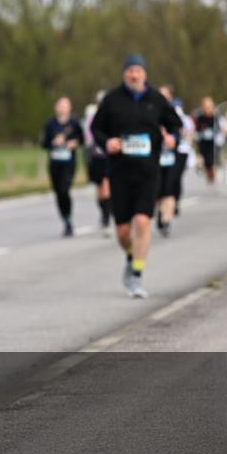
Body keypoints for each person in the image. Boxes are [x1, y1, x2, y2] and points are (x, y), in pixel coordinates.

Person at [90, 54, 182, 298]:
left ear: (145, 74)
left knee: (142, 222)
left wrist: (173, 138)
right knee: (122, 231)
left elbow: (175, 124)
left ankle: (137, 275)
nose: (134, 74)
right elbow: (95, 128)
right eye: (130, 70)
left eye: (138, 70)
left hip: (148, 172)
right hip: (119, 172)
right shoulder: (112, 100)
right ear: (124, 74)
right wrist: (106, 142)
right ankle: (131, 257)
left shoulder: (157, 100)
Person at [40, 96, 84, 237]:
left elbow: (82, 140)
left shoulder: (74, 123)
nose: (62, 108)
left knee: (65, 190)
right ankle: (65, 220)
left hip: (69, 163)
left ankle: (69, 221)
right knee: (58, 193)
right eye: (60, 105)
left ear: (69, 108)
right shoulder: (50, 124)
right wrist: (53, 142)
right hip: (54, 163)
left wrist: (73, 143)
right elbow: (43, 143)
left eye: (65, 105)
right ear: (56, 108)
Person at [155, 86, 190, 237]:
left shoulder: (175, 114)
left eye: (165, 96)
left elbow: (181, 132)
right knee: (157, 190)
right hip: (155, 157)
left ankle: (167, 220)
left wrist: (172, 138)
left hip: (172, 156)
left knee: (169, 188)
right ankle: (161, 214)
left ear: (170, 98)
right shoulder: (150, 112)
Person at [83, 91, 113, 235]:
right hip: (96, 156)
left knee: (107, 186)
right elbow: (88, 135)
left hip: (109, 156)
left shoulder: (113, 115)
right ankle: (104, 212)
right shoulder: (92, 117)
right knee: (100, 189)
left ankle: (107, 218)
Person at [193, 96, 219, 185]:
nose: (207, 109)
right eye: (205, 107)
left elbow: (220, 130)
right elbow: (196, 130)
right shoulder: (200, 118)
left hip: (213, 144)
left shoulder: (215, 118)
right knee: (207, 163)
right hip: (203, 143)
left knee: (211, 162)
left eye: (209, 107)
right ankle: (208, 173)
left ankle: (213, 172)